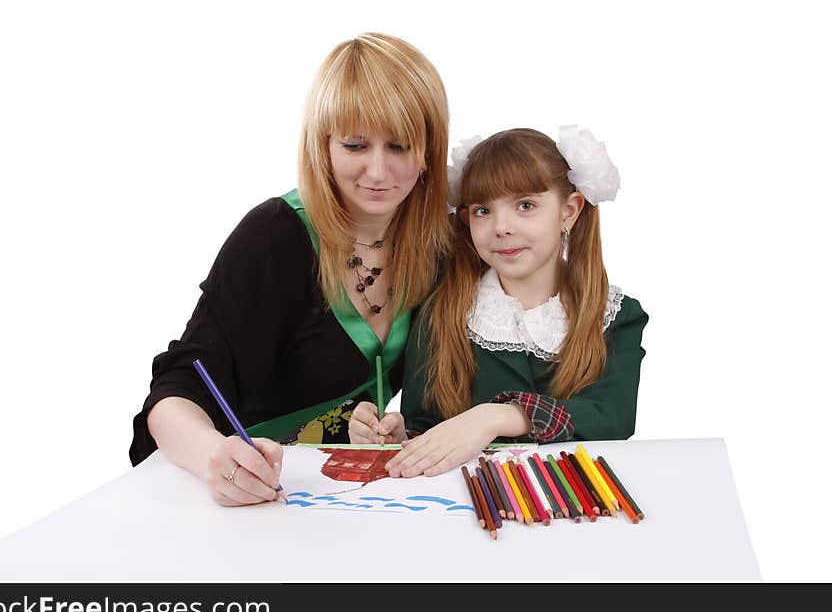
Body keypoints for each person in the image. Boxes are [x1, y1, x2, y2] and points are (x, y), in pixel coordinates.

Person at [131, 33, 450, 506]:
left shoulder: (442, 246)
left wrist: (387, 426)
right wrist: (214, 456)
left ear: (429, 151)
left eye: (400, 146)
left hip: (342, 500)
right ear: (323, 145)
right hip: (237, 500)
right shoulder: (273, 236)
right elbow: (174, 394)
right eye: (356, 145)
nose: (378, 172)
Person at [348, 126, 648, 479]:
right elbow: (426, 425)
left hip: (574, 508)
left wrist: (500, 416)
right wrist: (400, 437)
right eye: (482, 211)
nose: (501, 227)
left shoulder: (615, 316)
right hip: (473, 504)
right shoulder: (442, 312)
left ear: (569, 210)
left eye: (525, 205)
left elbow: (612, 418)